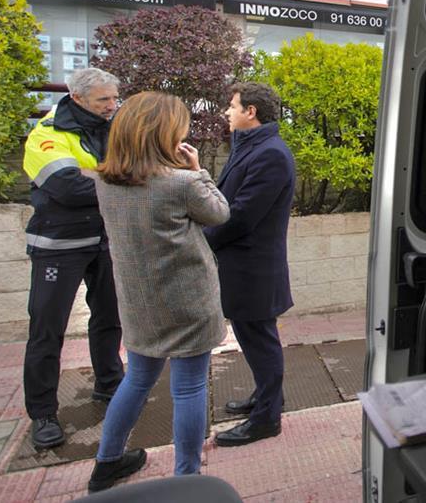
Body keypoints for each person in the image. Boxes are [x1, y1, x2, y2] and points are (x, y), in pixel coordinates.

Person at [88, 92, 230, 492]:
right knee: (188, 387)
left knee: (136, 380)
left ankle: (107, 462)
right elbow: (220, 213)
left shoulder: (104, 181)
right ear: (163, 134)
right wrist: (198, 170)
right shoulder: (182, 184)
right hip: (187, 302)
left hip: (138, 302)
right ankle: (187, 477)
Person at [21, 67, 124, 449]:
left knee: (110, 318)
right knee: (47, 331)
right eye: (104, 100)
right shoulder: (47, 133)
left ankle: (109, 384)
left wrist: (96, 173)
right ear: (78, 98)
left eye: (114, 98)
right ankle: (43, 413)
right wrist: (115, 175)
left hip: (106, 239)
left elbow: (140, 170)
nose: (112, 106)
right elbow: (66, 187)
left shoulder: (111, 125)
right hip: (58, 245)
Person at [205, 82, 296, 447]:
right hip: (242, 267)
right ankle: (266, 398)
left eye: (232, 106)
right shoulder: (252, 147)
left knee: (261, 342)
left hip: (254, 270)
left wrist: (203, 240)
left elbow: (241, 216)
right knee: (253, 339)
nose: (227, 112)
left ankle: (266, 419)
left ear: (251, 112)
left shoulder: (270, 154)